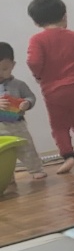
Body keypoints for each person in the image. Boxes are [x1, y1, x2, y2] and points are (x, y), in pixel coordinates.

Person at [26, 0, 74, 174]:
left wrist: (38, 75)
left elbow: (33, 61)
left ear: (36, 22)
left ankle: (68, 156)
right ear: (64, 16)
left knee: (59, 125)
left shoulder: (37, 40)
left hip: (53, 90)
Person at [0, 42, 46, 180]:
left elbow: (30, 97)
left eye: (4, 69)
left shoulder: (19, 84)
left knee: (27, 147)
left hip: (18, 125)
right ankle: (7, 176)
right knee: (3, 154)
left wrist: (27, 103)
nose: (0, 73)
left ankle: (36, 169)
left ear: (13, 65)